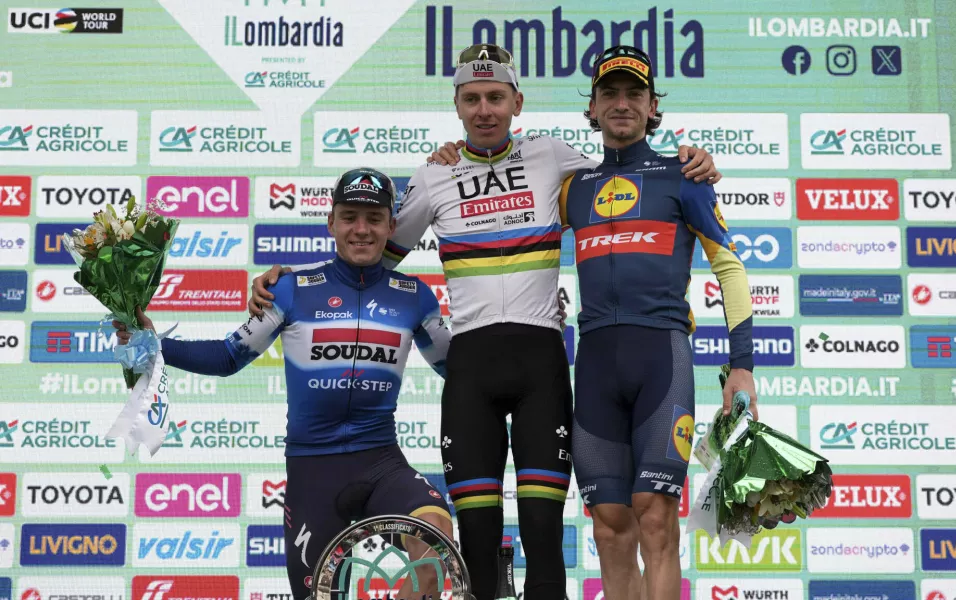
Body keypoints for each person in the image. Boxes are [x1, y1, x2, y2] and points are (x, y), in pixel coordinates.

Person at [248, 44, 721, 600]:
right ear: (457, 106)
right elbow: (366, 257)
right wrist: (290, 282)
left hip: (541, 365)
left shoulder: (555, 158)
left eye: (496, 97)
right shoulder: (433, 175)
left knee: (545, 535)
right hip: (470, 372)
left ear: (517, 101)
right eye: (472, 99)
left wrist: (695, 161)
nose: (485, 110)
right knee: (474, 537)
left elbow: (630, 180)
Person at [115, 168, 454, 600]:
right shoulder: (291, 289)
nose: (362, 229)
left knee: (434, 542)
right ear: (331, 222)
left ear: (392, 225)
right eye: (349, 217)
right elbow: (226, 357)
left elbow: (459, 368)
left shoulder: (415, 295)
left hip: (382, 464)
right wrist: (154, 343)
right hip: (313, 473)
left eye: (374, 218)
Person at [559, 45, 759, 600]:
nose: (621, 104)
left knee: (655, 517)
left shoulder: (685, 177)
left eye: (634, 94)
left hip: (661, 358)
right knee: (609, 527)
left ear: (654, 109)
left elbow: (730, 268)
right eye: (609, 94)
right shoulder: (572, 188)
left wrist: (741, 366)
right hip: (595, 361)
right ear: (592, 110)